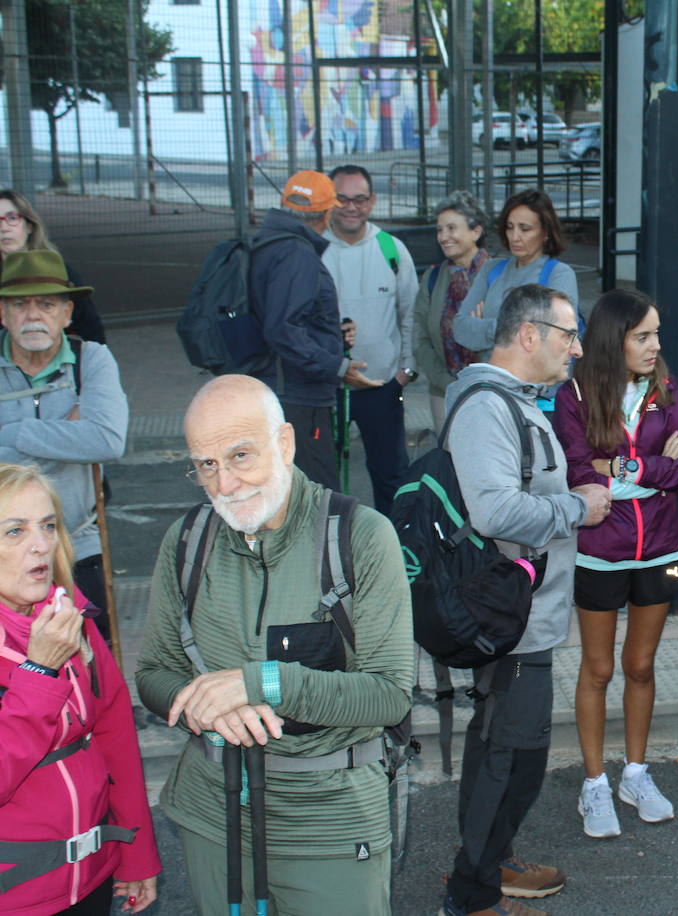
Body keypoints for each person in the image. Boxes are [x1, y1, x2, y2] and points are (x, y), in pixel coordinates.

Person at [135, 374, 413, 914]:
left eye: (241, 455)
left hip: (332, 822)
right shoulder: (186, 542)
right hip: (212, 816)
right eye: (207, 466)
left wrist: (260, 683)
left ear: (284, 442)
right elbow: (153, 673)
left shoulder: (362, 536)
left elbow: (389, 696)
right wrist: (208, 708)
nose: (226, 483)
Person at [439, 284, 612, 916]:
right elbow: (493, 510)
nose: (577, 349)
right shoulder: (488, 406)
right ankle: (473, 894)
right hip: (511, 622)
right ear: (530, 335)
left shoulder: (512, 400)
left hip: (522, 617)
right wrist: (578, 507)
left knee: (502, 751)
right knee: (512, 759)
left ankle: (489, 865)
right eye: (569, 335)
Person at [552, 289, 678, 839]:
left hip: (660, 551)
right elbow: (576, 472)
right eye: (643, 336)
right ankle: (595, 782)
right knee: (598, 670)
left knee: (641, 666)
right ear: (612, 338)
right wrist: (648, 468)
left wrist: (622, 467)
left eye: (657, 334)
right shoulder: (572, 393)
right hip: (599, 552)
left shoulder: (666, 388)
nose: (654, 346)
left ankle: (635, 774)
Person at [0, 464, 160, 914]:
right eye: (14, 531)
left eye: (48, 525)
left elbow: (116, 740)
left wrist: (136, 853)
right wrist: (39, 670)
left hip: (92, 880)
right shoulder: (56, 638)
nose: (41, 544)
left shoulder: (70, 620)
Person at [0, 250, 128, 641]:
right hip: (5, 548)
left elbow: (107, 440)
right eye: (20, 305)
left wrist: (14, 431)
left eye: (47, 304)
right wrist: (67, 434)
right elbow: (87, 438)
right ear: (2, 314)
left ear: (67, 313)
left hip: (78, 541)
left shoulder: (92, 360)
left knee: (93, 655)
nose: (34, 315)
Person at [248, 170, 376, 491]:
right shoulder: (296, 254)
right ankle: (321, 544)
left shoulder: (270, 244)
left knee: (286, 492)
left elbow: (283, 316)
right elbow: (283, 329)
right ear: (327, 212)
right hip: (298, 397)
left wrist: (330, 332)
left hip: (278, 387)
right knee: (316, 493)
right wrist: (337, 365)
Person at [322, 164, 420, 515]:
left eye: (360, 199)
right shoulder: (315, 249)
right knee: (322, 480)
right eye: (342, 199)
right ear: (329, 202)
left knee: (391, 476)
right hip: (328, 388)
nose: (351, 207)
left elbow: (412, 314)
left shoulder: (390, 249)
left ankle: (397, 557)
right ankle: (328, 554)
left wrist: (406, 371)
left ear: (373, 201)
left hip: (382, 386)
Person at [453, 189, 579, 365]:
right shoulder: (491, 270)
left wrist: (485, 326)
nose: (515, 237)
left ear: (545, 233)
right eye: (510, 227)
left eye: (525, 229)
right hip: (491, 383)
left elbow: (554, 338)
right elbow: (460, 329)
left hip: (539, 389)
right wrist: (522, 326)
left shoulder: (559, 275)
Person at [413, 190, 492, 429]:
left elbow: (506, 337)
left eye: (451, 228)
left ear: (476, 231)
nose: (443, 236)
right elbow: (420, 338)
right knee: (449, 459)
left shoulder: (498, 276)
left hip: (490, 392)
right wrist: (446, 382)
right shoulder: (433, 278)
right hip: (443, 392)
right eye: (439, 230)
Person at [0, 189, 105, 343]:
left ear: (29, 226)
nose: (4, 228)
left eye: (12, 218)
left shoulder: (60, 273)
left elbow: (91, 329)